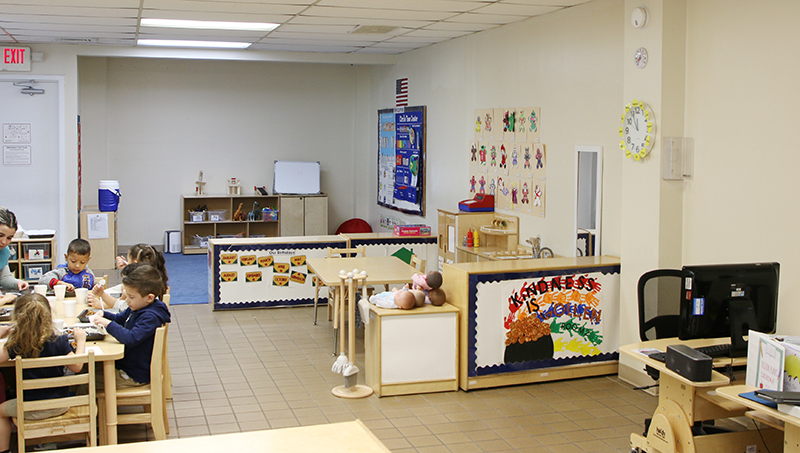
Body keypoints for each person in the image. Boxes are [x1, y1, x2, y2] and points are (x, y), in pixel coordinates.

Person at [0, 293, 86, 453]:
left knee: (0, 412)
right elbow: (77, 366)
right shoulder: (59, 340)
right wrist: (80, 341)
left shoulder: (17, 342)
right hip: (60, 405)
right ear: (48, 316)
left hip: (29, 408)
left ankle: (5, 450)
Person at [91, 264, 170, 388]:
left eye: (131, 297)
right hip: (128, 367)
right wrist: (104, 315)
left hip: (134, 375)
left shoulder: (150, 317)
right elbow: (120, 319)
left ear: (149, 298)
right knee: (88, 370)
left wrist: (108, 324)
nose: (127, 300)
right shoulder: (138, 306)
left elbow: (130, 338)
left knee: (86, 382)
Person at [90, 243, 169, 310]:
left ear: (135, 262)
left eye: (128, 260)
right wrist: (127, 269)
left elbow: (123, 305)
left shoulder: (140, 287)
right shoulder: (151, 278)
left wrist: (101, 302)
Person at [0, 208, 28, 306]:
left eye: (9, 238)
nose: (4, 242)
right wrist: (5, 300)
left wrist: (18, 283)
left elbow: (4, 277)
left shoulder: (3, 251)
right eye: (0, 235)